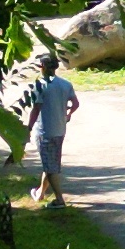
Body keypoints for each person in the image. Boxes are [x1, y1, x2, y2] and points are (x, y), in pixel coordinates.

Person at [28, 47, 79, 206]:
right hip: (60, 130)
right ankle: (40, 193)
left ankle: (59, 200)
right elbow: (76, 103)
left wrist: (28, 128)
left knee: (51, 167)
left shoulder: (40, 85)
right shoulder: (65, 84)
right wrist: (68, 114)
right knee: (50, 162)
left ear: (42, 67)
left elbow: (36, 109)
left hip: (44, 130)